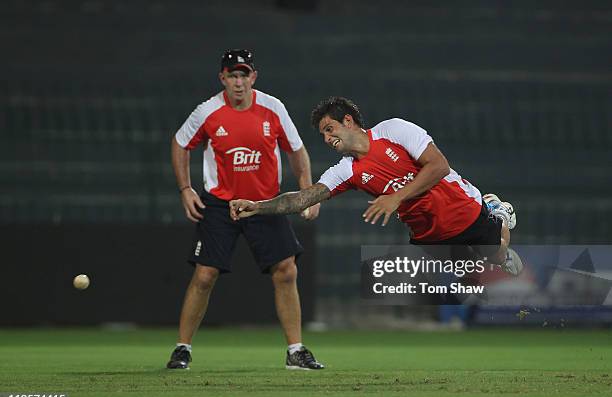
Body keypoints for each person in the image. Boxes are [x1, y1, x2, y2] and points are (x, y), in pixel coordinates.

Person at [229, 96, 522, 274]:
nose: (327, 139)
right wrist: (258, 206)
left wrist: (396, 197)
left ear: (348, 121)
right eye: (322, 135)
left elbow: (439, 166)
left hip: (462, 210)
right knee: (466, 272)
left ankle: (496, 213)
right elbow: (304, 198)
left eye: (329, 129)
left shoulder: (393, 130)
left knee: (496, 253)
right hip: (428, 233)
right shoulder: (347, 170)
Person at [167, 49, 324, 370]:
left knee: (287, 270)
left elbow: (297, 151)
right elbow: (180, 143)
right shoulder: (207, 111)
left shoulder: (272, 108)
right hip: (220, 205)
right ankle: (182, 348)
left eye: (244, 75)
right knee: (205, 274)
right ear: (222, 78)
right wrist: (185, 189)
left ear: (254, 77)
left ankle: (296, 351)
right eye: (232, 76)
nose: (238, 82)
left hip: (263, 205)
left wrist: (308, 193)